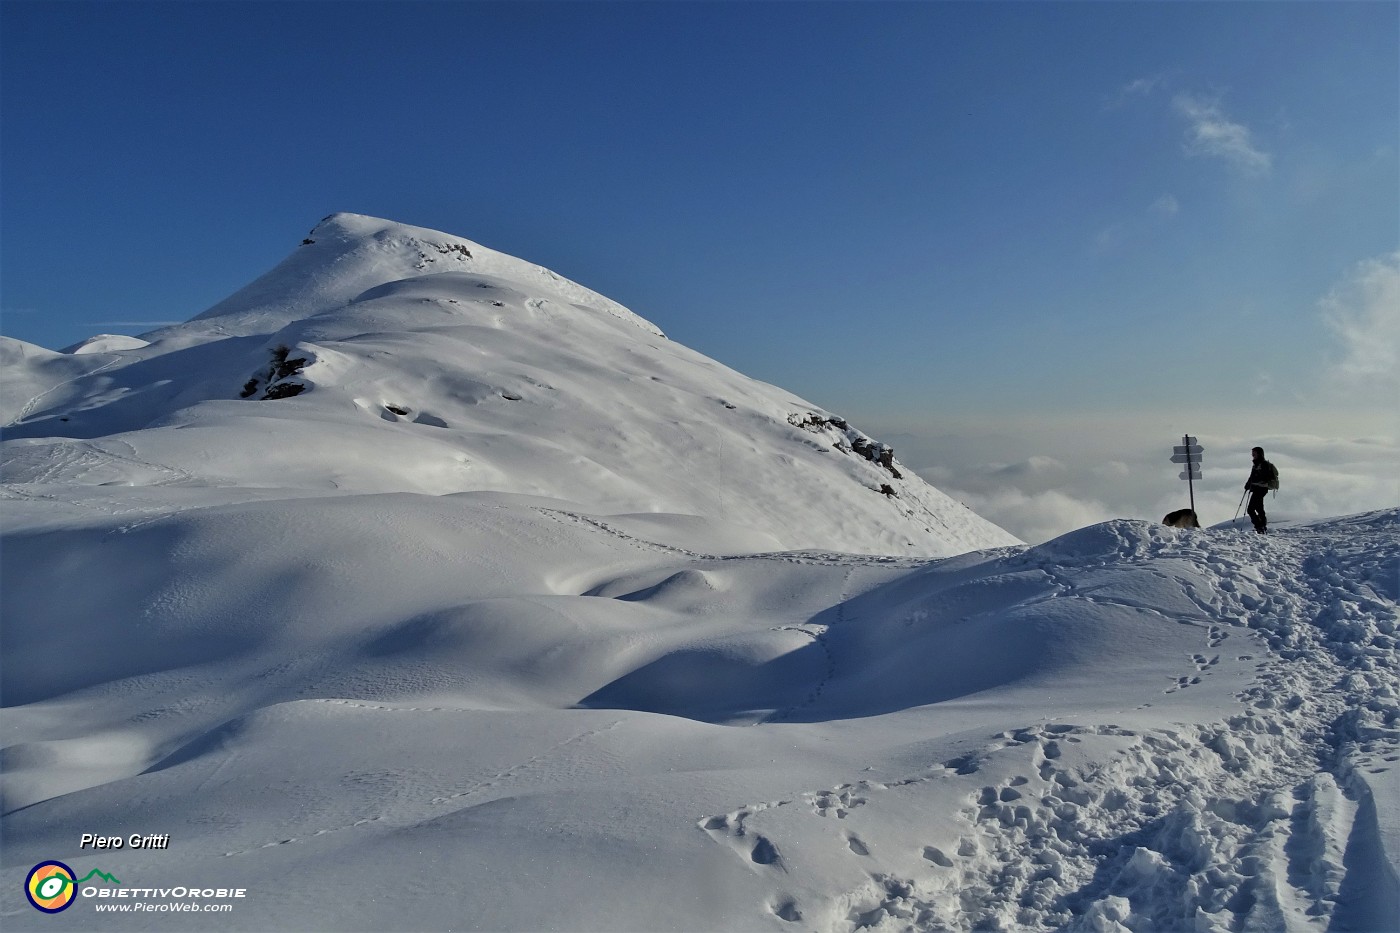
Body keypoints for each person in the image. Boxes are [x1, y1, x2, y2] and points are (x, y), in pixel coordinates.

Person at [1244, 446, 1278, 534]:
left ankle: (1259, 527)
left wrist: (1250, 483)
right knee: (1259, 508)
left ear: (1259, 454)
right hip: (1258, 488)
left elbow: (1263, 477)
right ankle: (1262, 526)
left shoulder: (1263, 464)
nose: (1252, 455)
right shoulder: (1256, 464)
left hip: (1260, 489)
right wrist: (1248, 484)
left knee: (1250, 509)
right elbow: (1252, 476)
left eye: (1254, 453)